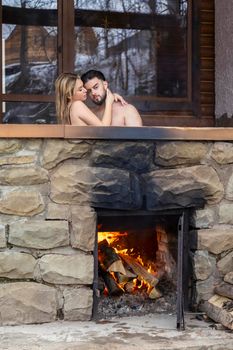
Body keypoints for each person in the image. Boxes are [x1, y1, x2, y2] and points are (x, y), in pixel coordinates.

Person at [55, 72, 119, 126]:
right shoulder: (77, 105)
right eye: (80, 89)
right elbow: (103, 129)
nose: (85, 90)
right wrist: (109, 102)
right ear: (69, 95)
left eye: (83, 86)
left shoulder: (68, 108)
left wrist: (113, 96)